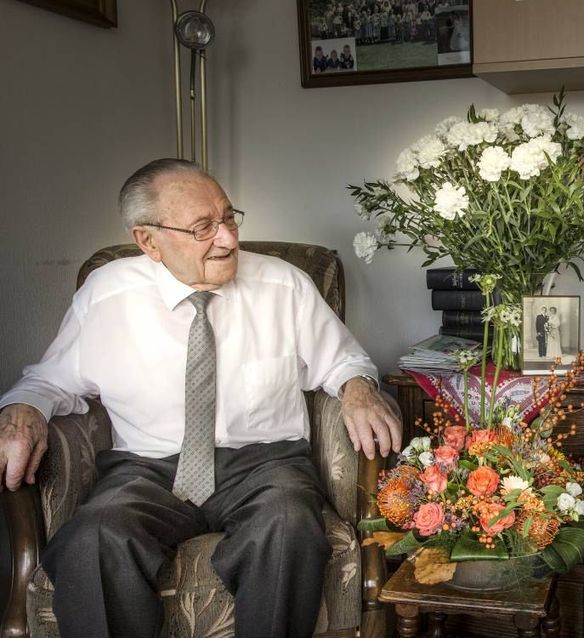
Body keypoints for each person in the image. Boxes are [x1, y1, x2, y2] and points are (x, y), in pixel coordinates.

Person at [0, 158, 402, 638]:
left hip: (265, 466)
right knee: (93, 539)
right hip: (144, 470)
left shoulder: (284, 284)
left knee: (289, 525)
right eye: (203, 227)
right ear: (148, 240)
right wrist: (23, 410)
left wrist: (357, 388)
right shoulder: (106, 295)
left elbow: (342, 362)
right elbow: (51, 379)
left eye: (229, 218)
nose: (229, 239)